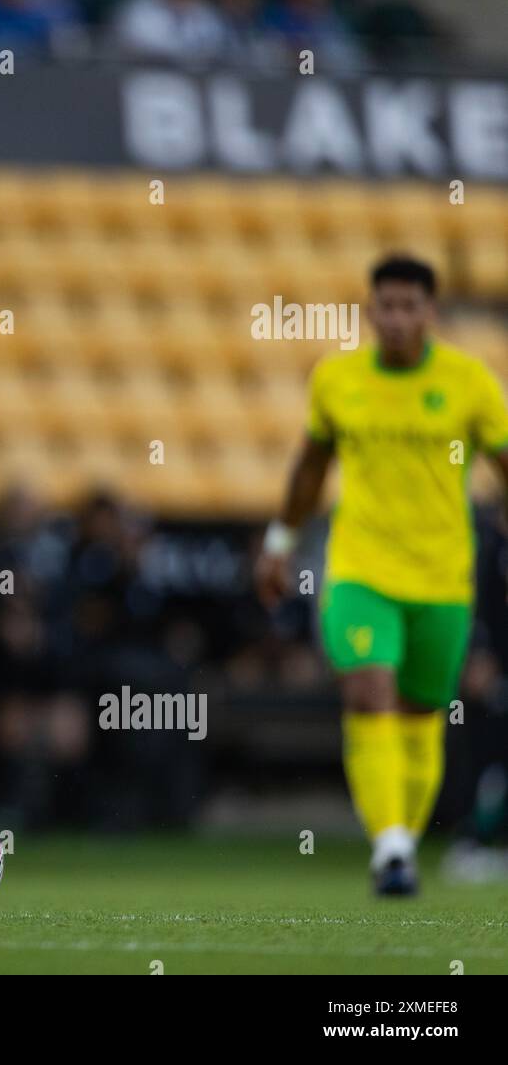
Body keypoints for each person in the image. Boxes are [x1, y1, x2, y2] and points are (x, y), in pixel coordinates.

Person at [255, 256, 508, 895]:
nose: (395, 319)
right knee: (370, 691)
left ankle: (403, 840)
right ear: (370, 312)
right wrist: (280, 543)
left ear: (431, 313)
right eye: (385, 306)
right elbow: (311, 467)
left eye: (408, 306)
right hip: (360, 571)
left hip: (444, 579)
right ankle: (390, 850)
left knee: (423, 714)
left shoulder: (469, 383)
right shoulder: (339, 381)